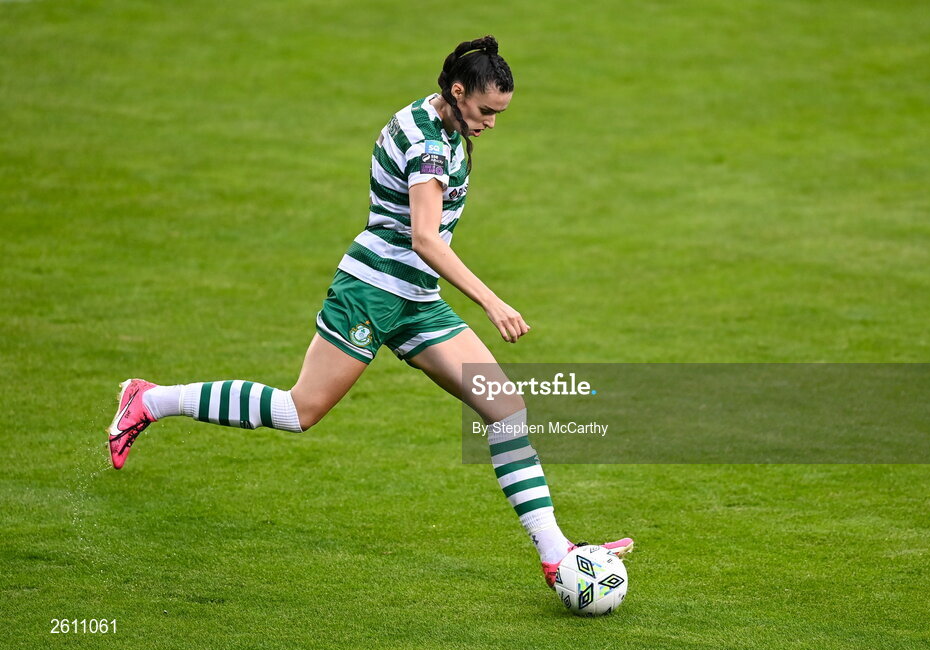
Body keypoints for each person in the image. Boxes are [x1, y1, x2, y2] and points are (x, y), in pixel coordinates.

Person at [106, 35, 632, 588]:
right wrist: (491, 301)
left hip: (415, 298)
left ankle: (554, 554)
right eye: (485, 111)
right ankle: (150, 400)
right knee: (299, 410)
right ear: (458, 92)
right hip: (372, 293)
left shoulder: (439, 119)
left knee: (505, 408)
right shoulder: (429, 145)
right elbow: (426, 239)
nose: (492, 124)